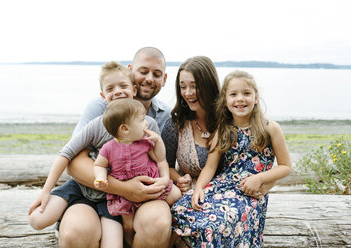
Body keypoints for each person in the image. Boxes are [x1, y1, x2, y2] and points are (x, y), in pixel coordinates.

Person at [28, 61, 161, 248]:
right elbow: (66, 154)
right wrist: (45, 191)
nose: (118, 91)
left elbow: (157, 159)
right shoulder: (97, 124)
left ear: (134, 89)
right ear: (103, 96)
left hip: (111, 198)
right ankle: (70, 215)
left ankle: (97, 224)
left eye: (123, 86)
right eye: (110, 88)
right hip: (82, 188)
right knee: (36, 220)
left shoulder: (146, 124)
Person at [62, 48, 173, 248]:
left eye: (156, 74)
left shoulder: (164, 117)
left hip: (144, 198)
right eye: (143, 71)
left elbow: (162, 161)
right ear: (130, 71)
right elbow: (73, 163)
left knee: (158, 223)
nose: (148, 79)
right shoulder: (101, 107)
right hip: (95, 194)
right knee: (75, 233)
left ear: (164, 79)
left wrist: (169, 179)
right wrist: (125, 189)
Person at [171, 70, 292, 247]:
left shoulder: (270, 128)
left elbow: (286, 166)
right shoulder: (224, 129)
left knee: (217, 223)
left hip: (250, 192)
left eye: (247, 93)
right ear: (225, 101)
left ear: (256, 98)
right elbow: (210, 168)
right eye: (233, 94)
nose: (240, 99)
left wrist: (259, 178)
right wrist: (198, 189)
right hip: (222, 185)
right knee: (180, 209)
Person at [93, 99, 181, 246]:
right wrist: (101, 178)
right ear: (125, 129)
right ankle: (129, 241)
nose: (146, 123)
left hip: (152, 182)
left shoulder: (145, 142)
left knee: (177, 195)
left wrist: (158, 141)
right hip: (126, 193)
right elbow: (99, 165)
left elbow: (159, 157)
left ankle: (173, 227)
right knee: (128, 224)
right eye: (142, 120)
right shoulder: (108, 148)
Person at [161, 56, 221, 195]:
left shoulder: (227, 120)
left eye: (194, 86)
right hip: (188, 194)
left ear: (209, 85)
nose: (188, 93)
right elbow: (166, 165)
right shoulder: (175, 125)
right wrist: (180, 179)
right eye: (183, 87)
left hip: (225, 193)